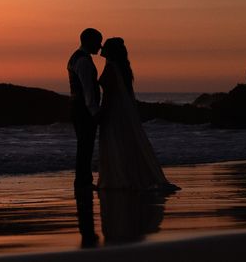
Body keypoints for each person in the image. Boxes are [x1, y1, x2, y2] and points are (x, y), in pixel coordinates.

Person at [97, 37, 178, 191]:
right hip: (122, 111)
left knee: (115, 143)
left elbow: (109, 94)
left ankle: (120, 177)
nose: (101, 48)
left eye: (105, 46)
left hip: (114, 111)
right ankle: (128, 175)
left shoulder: (111, 68)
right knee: (124, 143)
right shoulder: (122, 68)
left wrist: (102, 112)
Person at [67, 28, 102, 189]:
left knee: (84, 145)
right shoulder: (83, 61)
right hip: (83, 109)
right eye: (97, 42)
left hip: (77, 107)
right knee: (85, 145)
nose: (100, 46)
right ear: (89, 41)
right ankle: (83, 181)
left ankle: (83, 180)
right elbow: (88, 89)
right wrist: (94, 112)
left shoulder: (76, 58)